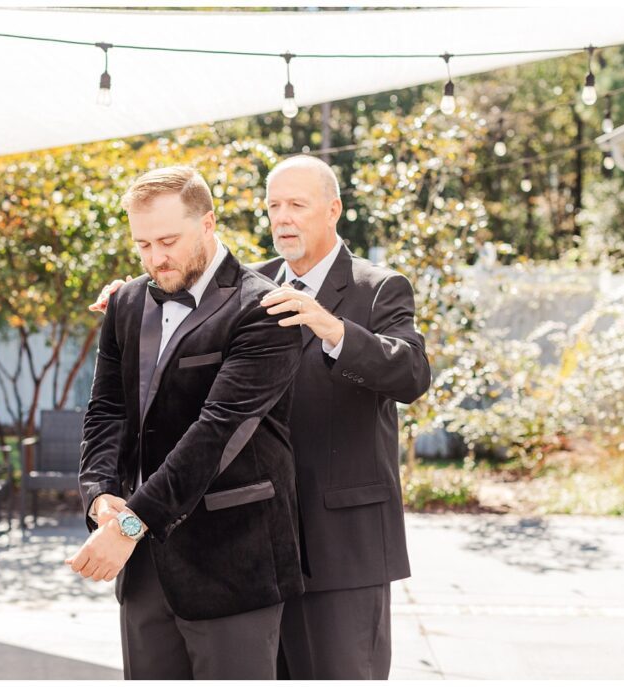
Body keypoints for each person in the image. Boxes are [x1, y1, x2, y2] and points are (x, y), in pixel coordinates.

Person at [69, 165, 304, 680]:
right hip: (145, 570)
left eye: (169, 240)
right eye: (143, 245)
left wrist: (130, 523)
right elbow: (106, 409)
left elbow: (216, 432)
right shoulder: (127, 302)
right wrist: (101, 494)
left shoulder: (266, 309)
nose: (156, 258)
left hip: (233, 564)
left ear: (209, 223)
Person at [255, 154, 432, 679]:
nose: (282, 218)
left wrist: (335, 331)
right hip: (261, 542)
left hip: (346, 540)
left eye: (296, 205)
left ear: (332, 210)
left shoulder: (378, 287)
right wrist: (134, 299)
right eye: (273, 207)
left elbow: (411, 374)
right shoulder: (250, 285)